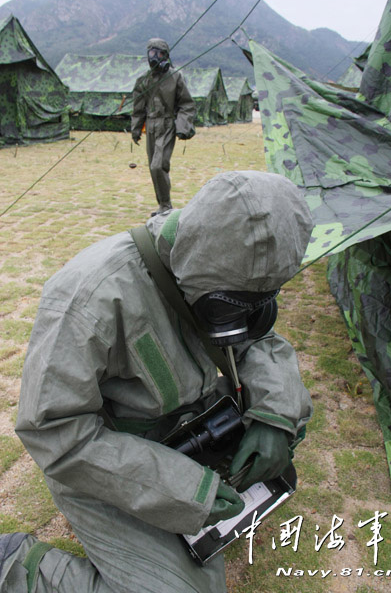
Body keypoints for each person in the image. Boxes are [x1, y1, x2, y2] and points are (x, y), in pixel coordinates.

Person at [0, 171, 313, 593]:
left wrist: (275, 417)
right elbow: (57, 434)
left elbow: (258, 340)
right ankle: (18, 566)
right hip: (105, 462)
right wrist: (186, 490)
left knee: (291, 419)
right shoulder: (89, 299)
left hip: (192, 423)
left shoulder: (231, 269)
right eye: (228, 305)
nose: (241, 318)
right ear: (194, 263)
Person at [131, 38, 196, 216]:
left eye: (159, 53)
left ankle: (166, 205)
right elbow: (138, 107)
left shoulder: (176, 77)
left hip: (167, 125)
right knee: (153, 166)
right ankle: (162, 205)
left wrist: (182, 126)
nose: (155, 57)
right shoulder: (144, 80)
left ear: (166, 55)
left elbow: (187, 104)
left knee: (158, 166)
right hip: (151, 125)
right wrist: (136, 129)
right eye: (152, 53)